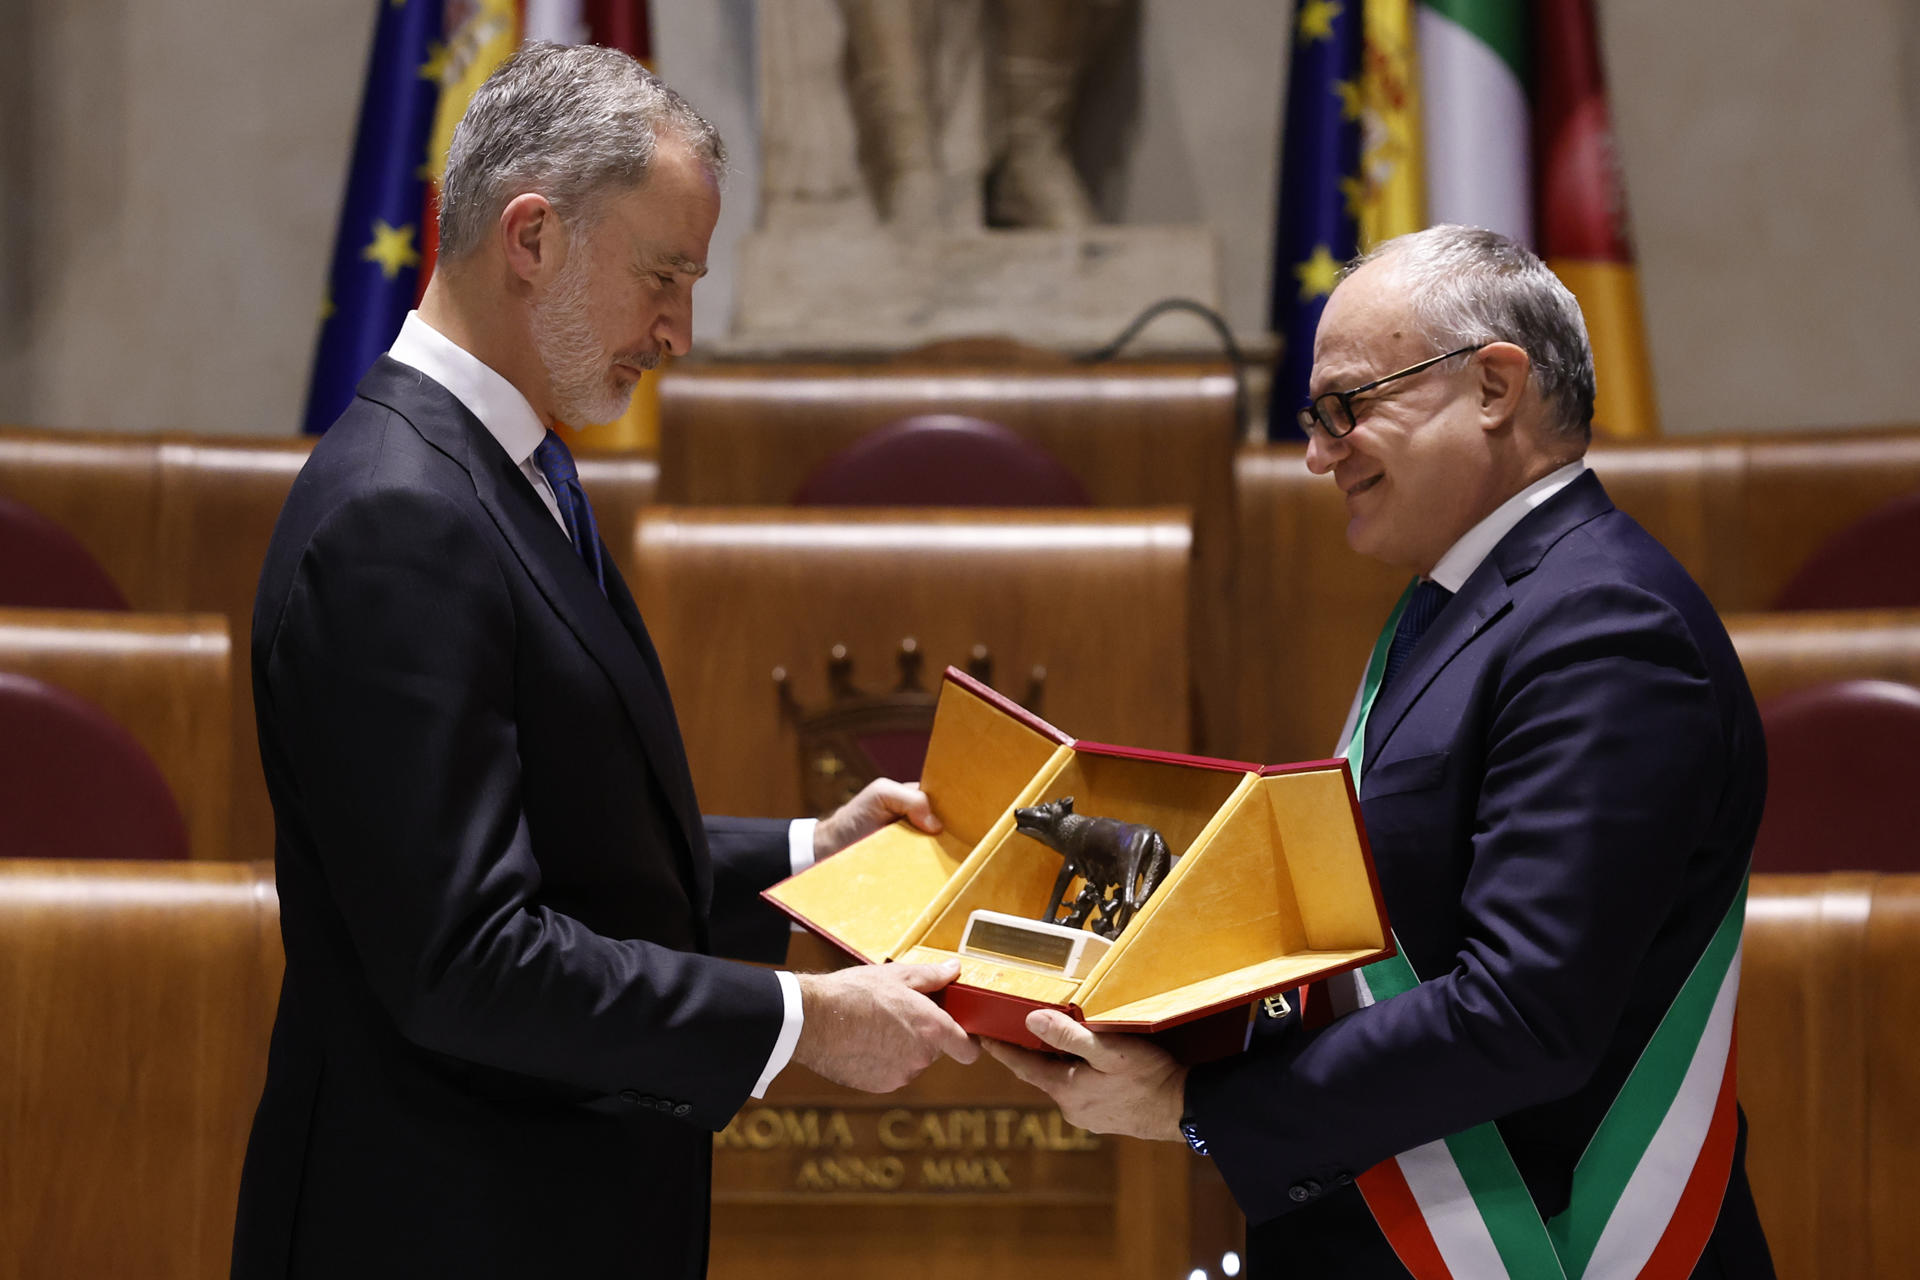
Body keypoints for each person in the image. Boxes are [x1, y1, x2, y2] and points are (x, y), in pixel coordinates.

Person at [231, 43, 976, 1279]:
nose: (680, 330)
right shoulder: (398, 516)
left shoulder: (497, 463)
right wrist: (804, 1021)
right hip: (439, 1223)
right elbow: (469, 959)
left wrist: (808, 857)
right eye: (663, 275)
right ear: (532, 238)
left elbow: (564, 837)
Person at [986, 225, 1775, 1278]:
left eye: (1347, 406)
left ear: (1495, 385)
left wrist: (1197, 1104)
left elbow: (1524, 1010)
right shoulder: (1469, 604)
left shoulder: (1603, 627)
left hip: (1551, 1242)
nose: (1318, 452)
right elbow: (1393, 923)